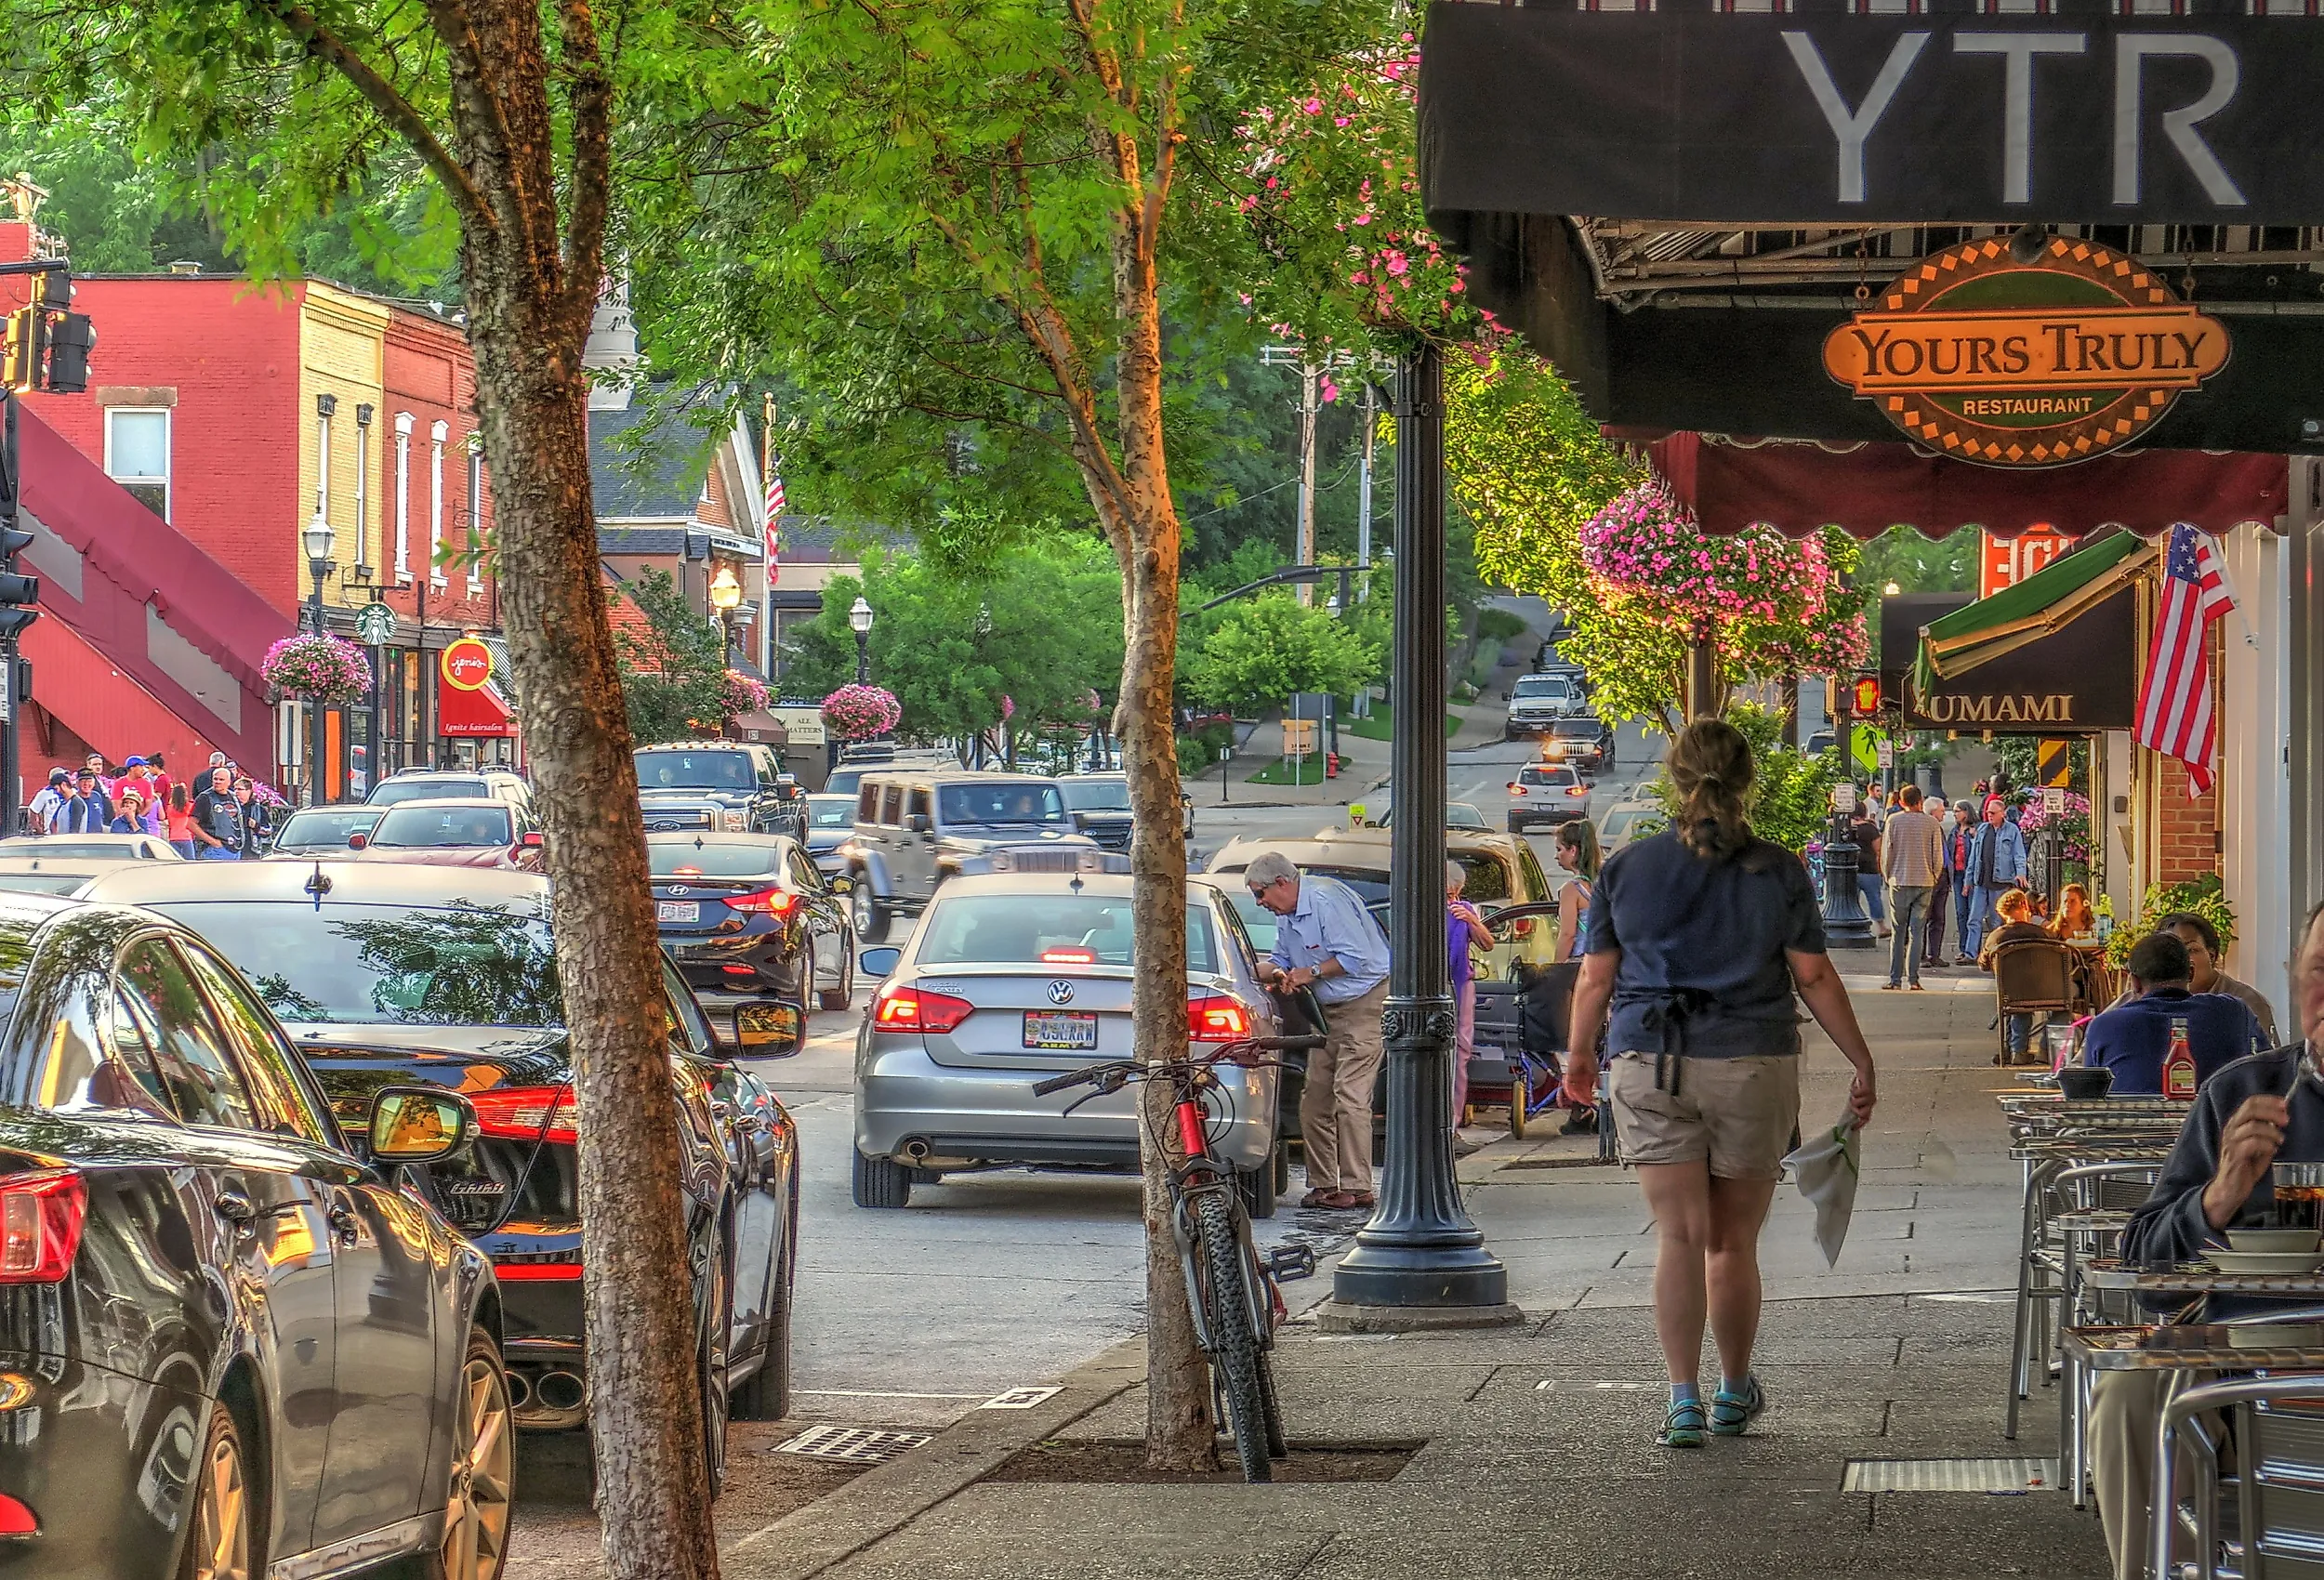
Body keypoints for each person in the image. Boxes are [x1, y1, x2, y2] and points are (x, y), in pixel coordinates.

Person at [1563, 720, 1877, 1449]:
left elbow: (1595, 977)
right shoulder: (1778, 871)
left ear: (1673, 777)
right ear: (1747, 781)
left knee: (1678, 1237)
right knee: (1733, 1244)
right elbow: (1815, 976)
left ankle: (1682, 1400)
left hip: (1650, 1060)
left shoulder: (1627, 869)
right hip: (1750, 1061)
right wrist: (1861, 1059)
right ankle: (1735, 1391)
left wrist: (1580, 1055)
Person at [2088, 902, 2324, 1580]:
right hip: (2242, 1378)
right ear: (2293, 981)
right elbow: (2148, 1266)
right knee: (2130, 1397)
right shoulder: (2243, 1091)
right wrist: (2218, 1198)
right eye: (2319, 972)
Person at [1248, 849, 1392, 1212]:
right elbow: (1282, 958)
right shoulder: (1288, 914)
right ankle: (1325, 1183)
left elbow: (1354, 957)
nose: (1259, 903)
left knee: (1351, 1095)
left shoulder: (1326, 901)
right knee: (1315, 1099)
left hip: (1364, 1003)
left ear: (1281, 883)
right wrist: (1264, 972)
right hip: (1325, 1010)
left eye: (1260, 894)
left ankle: (1358, 1186)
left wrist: (1307, 974)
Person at [2082, 932, 2265, 1094]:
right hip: (2213, 1131)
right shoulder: (2234, 1012)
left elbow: (2088, 1095)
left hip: (2130, 1131)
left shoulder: (2104, 1026)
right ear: (2191, 973)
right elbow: (2268, 1069)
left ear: (2135, 982)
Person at [2113, 911, 2280, 1047]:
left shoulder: (2245, 1004)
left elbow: (2267, 1066)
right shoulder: (2130, 1003)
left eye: (2191, 950)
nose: (2180, 960)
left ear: (2212, 955)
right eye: (2168, 954)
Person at [1880, 784, 1943, 993]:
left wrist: (1888, 876)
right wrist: (1934, 875)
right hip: (1924, 880)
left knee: (1898, 932)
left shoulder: (1893, 821)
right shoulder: (1932, 823)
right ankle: (1913, 979)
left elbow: (1886, 852)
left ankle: (1895, 979)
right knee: (1917, 931)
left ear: (1901, 802)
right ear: (1920, 800)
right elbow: (1937, 856)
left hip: (1899, 880)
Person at [1977, 889, 2053, 1060]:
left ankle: (2016, 1049)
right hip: (2045, 990)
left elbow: (1983, 965)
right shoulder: (2041, 933)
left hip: (2010, 992)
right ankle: (2043, 1048)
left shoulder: (1996, 937)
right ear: (2025, 905)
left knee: (2016, 997)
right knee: (2061, 1006)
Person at [1446, 861, 1486, 1141]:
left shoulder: (1466, 910)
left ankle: (1452, 1123)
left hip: (1460, 984)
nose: (1450, 899)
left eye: (1452, 894)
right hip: (1432, 985)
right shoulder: (1421, 907)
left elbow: (1487, 943)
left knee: (1460, 1053)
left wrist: (1471, 920)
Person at [1962, 797, 2027, 960]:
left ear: (2002, 813)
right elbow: (1974, 857)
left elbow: (2018, 854)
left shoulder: (2012, 830)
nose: (1989, 816)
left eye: (1993, 813)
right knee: (1974, 919)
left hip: (2000, 883)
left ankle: (1995, 953)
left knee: (1996, 922)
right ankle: (1971, 954)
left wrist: (2021, 873)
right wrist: (1968, 881)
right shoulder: (1983, 829)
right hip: (1981, 882)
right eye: (1987, 813)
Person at [1552, 817, 1600, 961]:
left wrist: (1556, 968)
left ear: (1573, 850)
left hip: (1581, 962)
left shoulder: (1572, 890)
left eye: (1559, 849)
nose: (1556, 856)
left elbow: (1568, 935)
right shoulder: (1603, 882)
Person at [1923, 797, 1959, 971]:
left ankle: (1934, 954)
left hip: (1944, 876)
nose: (1944, 813)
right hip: (1931, 877)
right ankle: (1922, 955)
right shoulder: (1927, 827)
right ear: (1932, 811)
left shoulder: (1938, 827)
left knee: (1939, 917)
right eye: (1941, 810)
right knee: (1924, 916)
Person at [1847, 800, 1888, 938]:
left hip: (1850, 869)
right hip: (1869, 869)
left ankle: (1851, 925)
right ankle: (1881, 927)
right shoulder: (1870, 829)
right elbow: (1878, 849)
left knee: (1852, 899)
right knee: (1874, 898)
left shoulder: (1846, 828)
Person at [189, 767, 244, 860]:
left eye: (221, 779)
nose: (217, 782)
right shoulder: (205, 797)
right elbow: (190, 824)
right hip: (215, 850)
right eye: (215, 779)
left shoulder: (234, 797)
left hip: (235, 849)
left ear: (229, 782)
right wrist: (212, 842)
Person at [56, 770, 111, 835]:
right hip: (81, 840)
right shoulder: (73, 800)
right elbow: (55, 821)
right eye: (83, 781)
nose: (86, 784)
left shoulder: (96, 796)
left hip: (98, 839)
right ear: (77, 783)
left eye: (89, 781)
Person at [24, 767, 68, 836]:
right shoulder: (44, 793)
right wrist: (40, 831)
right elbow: (33, 811)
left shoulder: (71, 791)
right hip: (50, 835)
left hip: (67, 834)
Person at [164, 783, 197, 859]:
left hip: (173, 837)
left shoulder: (169, 808)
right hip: (186, 837)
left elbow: (170, 823)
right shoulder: (190, 807)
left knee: (176, 861)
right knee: (190, 861)